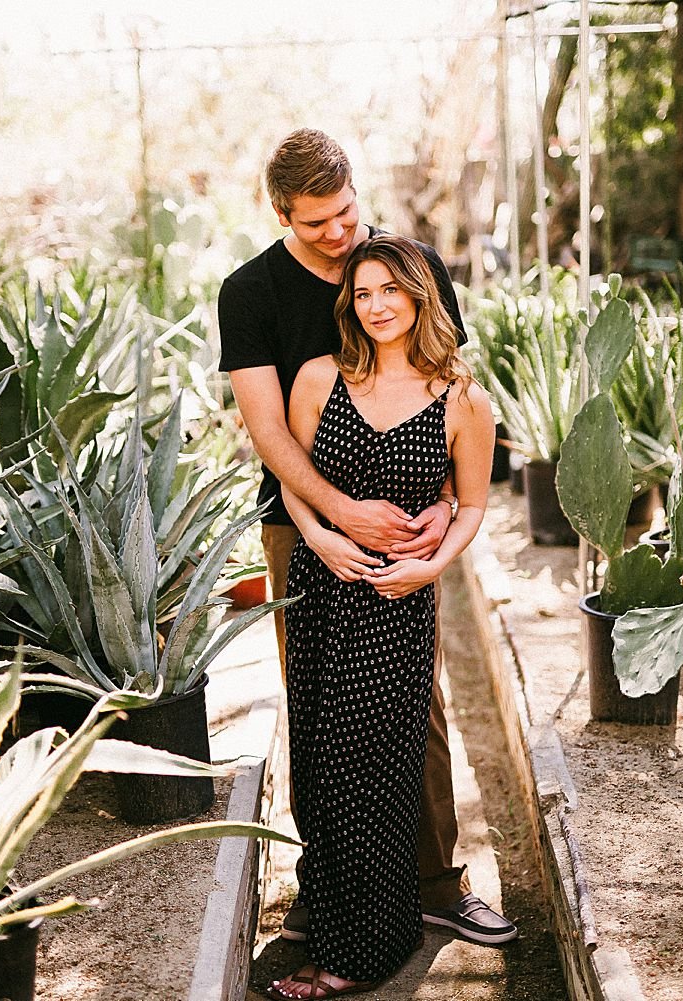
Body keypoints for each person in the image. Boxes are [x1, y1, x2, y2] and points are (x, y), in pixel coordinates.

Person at [217, 128, 516, 946]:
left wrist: (447, 507)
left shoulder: (406, 266)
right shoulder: (250, 293)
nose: (340, 233)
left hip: (409, 524)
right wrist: (337, 516)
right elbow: (271, 434)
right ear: (281, 212)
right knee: (316, 701)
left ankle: (432, 879)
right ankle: (331, 883)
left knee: (417, 705)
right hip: (301, 524)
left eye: (346, 211)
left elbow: (447, 387)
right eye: (317, 223)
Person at [268, 234, 495, 998]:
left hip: (398, 603)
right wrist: (322, 538)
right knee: (323, 762)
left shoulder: (461, 398)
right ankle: (361, 926)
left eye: (391, 290)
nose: (377, 305)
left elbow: (472, 506)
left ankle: (354, 953)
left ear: (421, 295)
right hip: (322, 588)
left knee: (380, 768)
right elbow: (291, 477)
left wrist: (433, 564)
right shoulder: (318, 377)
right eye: (363, 294)